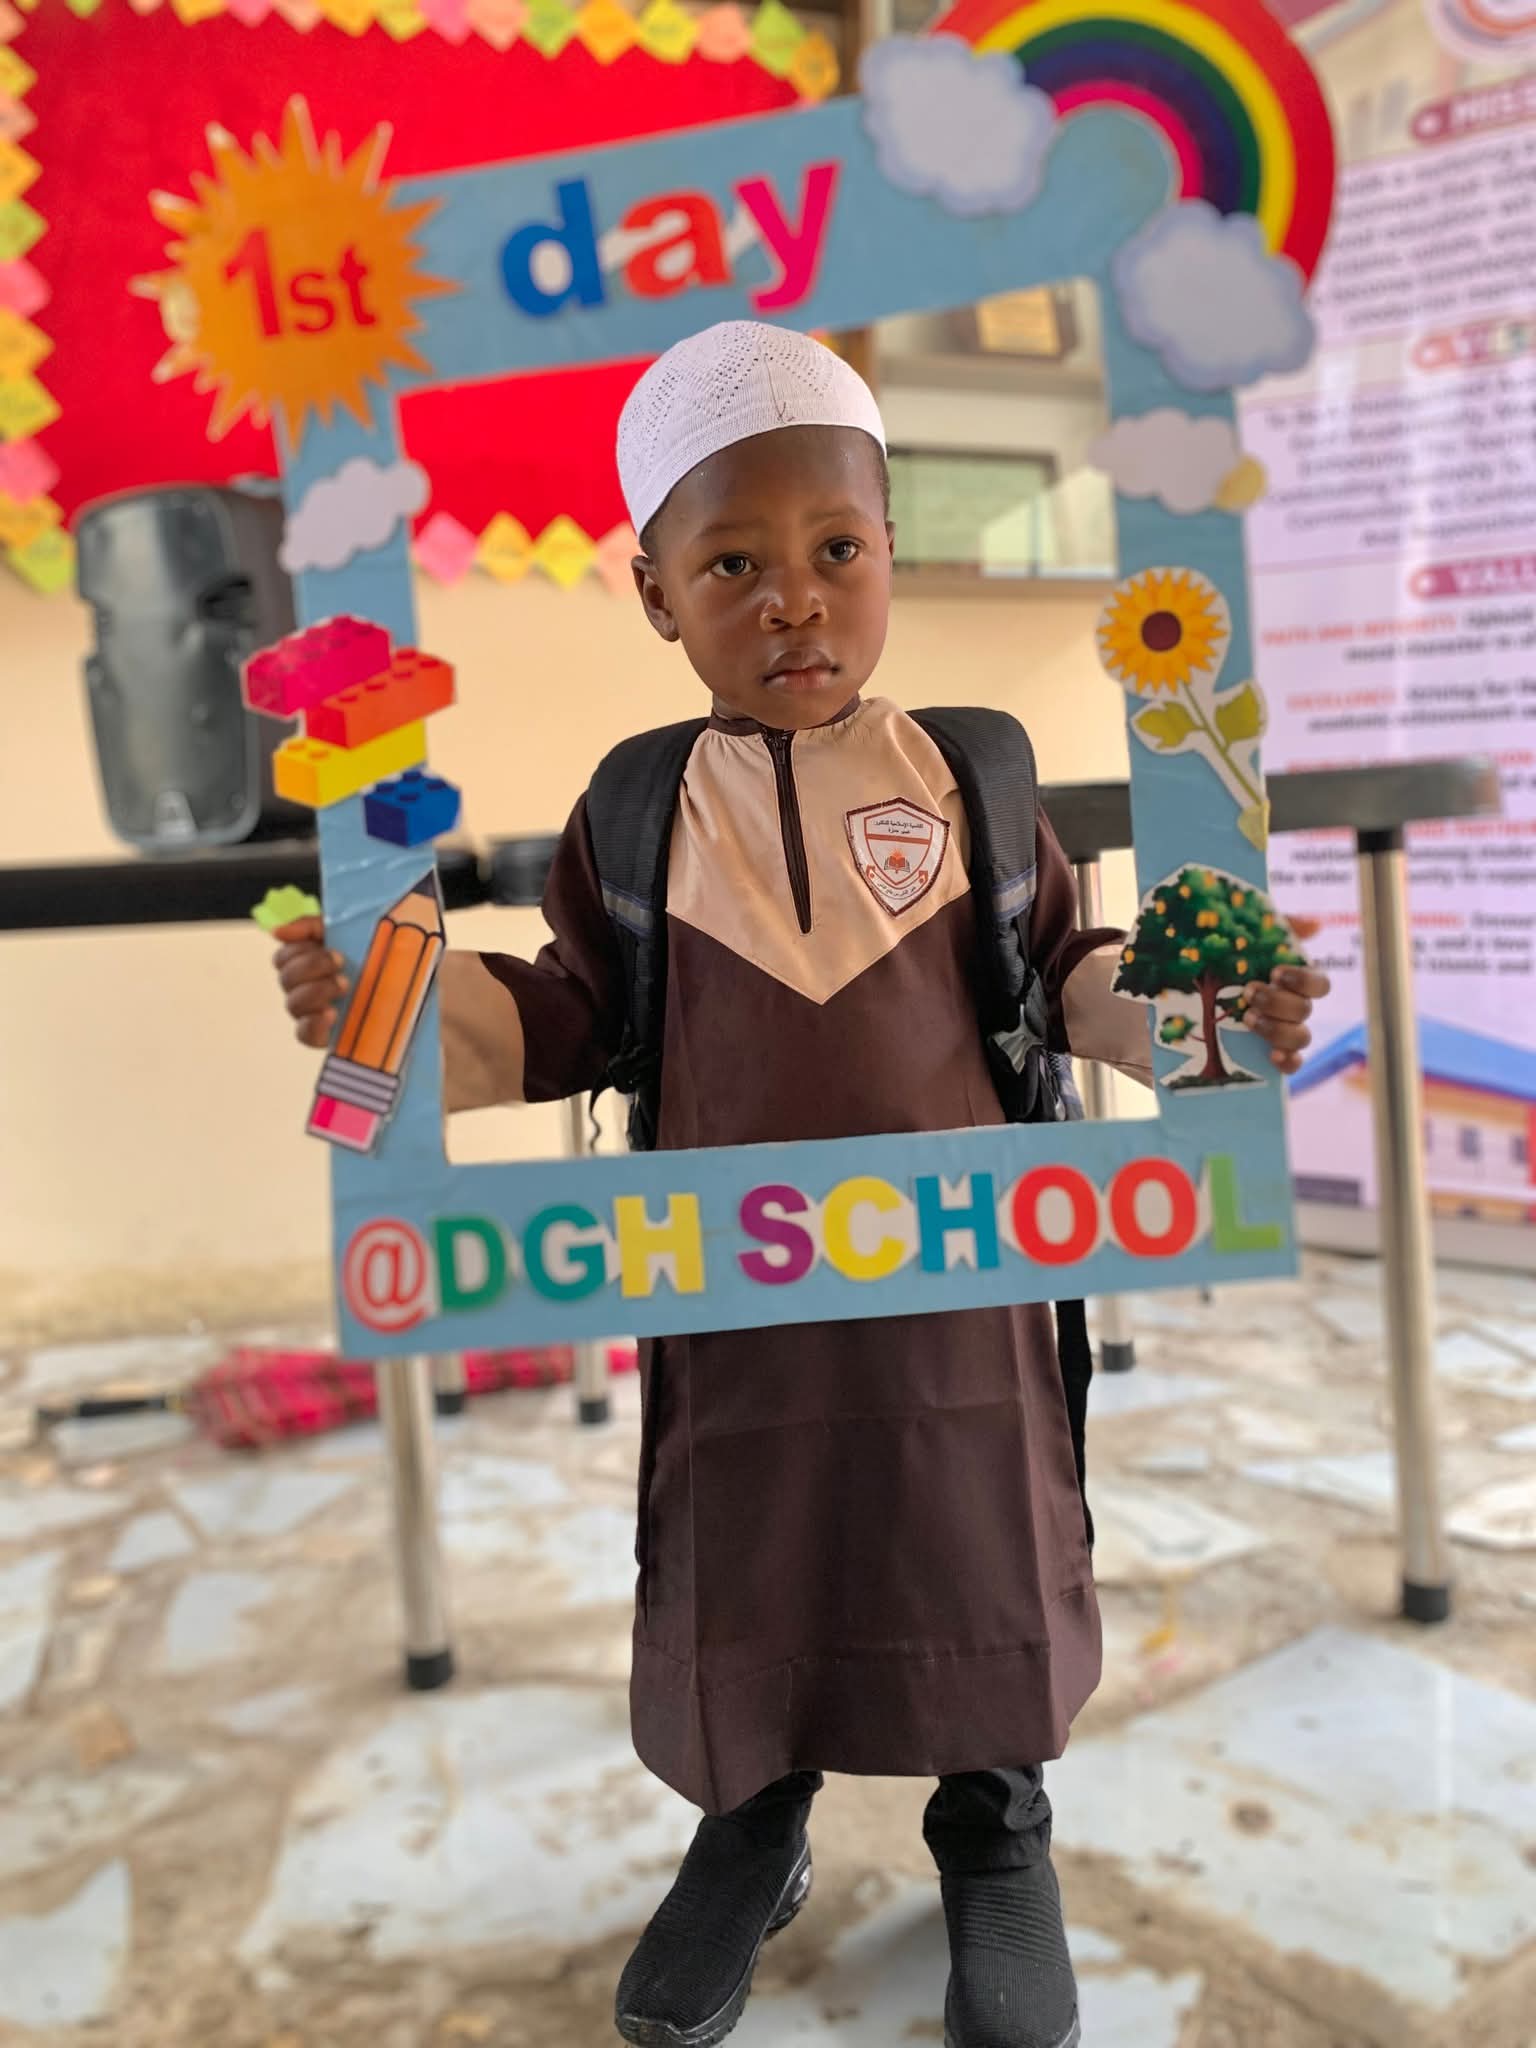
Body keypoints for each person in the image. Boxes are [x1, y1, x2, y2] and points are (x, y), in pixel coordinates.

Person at [272, 322, 1327, 2048]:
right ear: (653, 592)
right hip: (735, 1309)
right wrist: (383, 1007)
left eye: (837, 552)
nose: (795, 602)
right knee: (744, 1561)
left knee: (978, 1537)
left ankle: (998, 1828)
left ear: (890, 553)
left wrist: (1208, 1020)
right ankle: (748, 1828)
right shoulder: (629, 815)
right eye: (734, 566)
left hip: (962, 1309)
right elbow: (561, 1024)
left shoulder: (976, 781)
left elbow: (1072, 971)